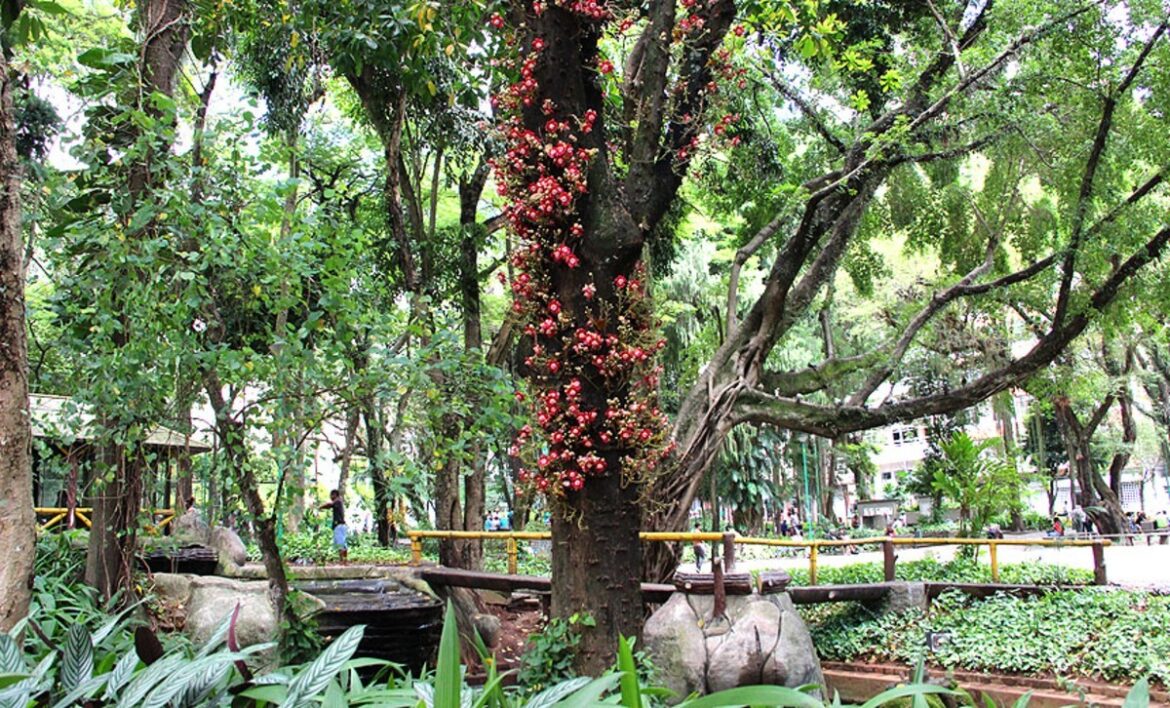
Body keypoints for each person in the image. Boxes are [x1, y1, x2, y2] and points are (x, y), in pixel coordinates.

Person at [319, 489, 348, 564]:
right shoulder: (338, 502)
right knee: (342, 544)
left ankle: (342, 561)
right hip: (340, 526)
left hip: (339, 525)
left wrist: (320, 507)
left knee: (340, 544)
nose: (330, 497)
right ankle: (344, 561)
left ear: (335, 495)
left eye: (331, 495)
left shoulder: (338, 501)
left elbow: (329, 505)